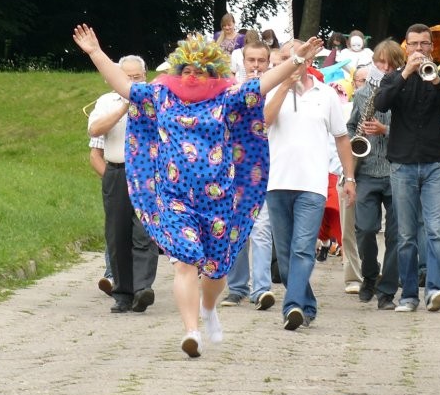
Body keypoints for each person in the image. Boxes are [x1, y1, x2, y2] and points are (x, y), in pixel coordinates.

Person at [73, 25, 323, 356]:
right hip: (174, 199)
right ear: (178, 71)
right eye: (187, 70)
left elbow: (264, 83)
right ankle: (191, 331)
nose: (192, 76)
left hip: (218, 201)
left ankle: (208, 308)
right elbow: (123, 85)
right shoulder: (160, 96)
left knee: (217, 270)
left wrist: (296, 59)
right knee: (185, 261)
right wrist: (95, 52)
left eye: (200, 71)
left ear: (213, 74)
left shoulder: (228, 98)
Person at [264, 40, 356, 330]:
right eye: (285, 57)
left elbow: (341, 138)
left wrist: (349, 177)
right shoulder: (269, 91)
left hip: (313, 184)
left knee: (303, 249)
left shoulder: (325, 94)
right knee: (285, 255)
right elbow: (264, 122)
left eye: (296, 56)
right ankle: (307, 305)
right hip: (277, 182)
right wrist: (284, 85)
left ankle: (291, 306)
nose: (290, 61)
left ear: (308, 61)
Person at [374, 23, 440, 313]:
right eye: (414, 44)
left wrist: (435, 81)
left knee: (435, 231)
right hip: (403, 165)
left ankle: (435, 291)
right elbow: (381, 104)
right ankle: (409, 295)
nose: (420, 49)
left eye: (425, 44)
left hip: (435, 162)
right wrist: (406, 73)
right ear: (406, 47)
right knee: (406, 235)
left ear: (432, 48)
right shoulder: (393, 78)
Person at [88, 55, 159, 313]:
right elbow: (94, 130)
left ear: (145, 77)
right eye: (127, 77)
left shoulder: (155, 99)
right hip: (117, 171)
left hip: (148, 174)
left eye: (137, 77)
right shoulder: (107, 101)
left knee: (145, 232)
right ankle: (123, 293)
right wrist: (123, 109)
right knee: (117, 234)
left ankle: (142, 289)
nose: (133, 82)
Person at [348, 40, 405, 310]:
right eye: (380, 62)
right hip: (368, 171)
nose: (385, 68)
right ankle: (370, 274)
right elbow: (350, 127)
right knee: (365, 229)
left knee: (396, 235)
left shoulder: (404, 92)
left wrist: (386, 130)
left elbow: (412, 131)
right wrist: (355, 140)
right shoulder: (362, 94)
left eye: (391, 64)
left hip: (397, 171)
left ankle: (387, 292)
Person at [220, 41, 276, 311]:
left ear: (268, 62)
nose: (256, 65)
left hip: (271, 168)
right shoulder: (232, 91)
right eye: (251, 60)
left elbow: (268, 120)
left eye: (261, 61)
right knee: (235, 228)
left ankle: (261, 288)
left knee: (261, 229)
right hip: (238, 170)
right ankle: (237, 287)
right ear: (243, 62)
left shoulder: (275, 89)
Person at [339, 65, 367, 294]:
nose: (364, 85)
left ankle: (373, 268)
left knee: (370, 228)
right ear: (354, 83)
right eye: (360, 81)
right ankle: (352, 276)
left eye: (368, 81)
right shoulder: (344, 107)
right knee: (348, 228)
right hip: (348, 171)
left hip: (376, 171)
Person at [87, 134, 115, 296]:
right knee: (115, 229)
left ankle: (140, 282)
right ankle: (112, 276)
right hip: (116, 177)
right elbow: (95, 155)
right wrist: (112, 180)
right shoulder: (104, 118)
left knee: (141, 231)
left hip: (144, 180)